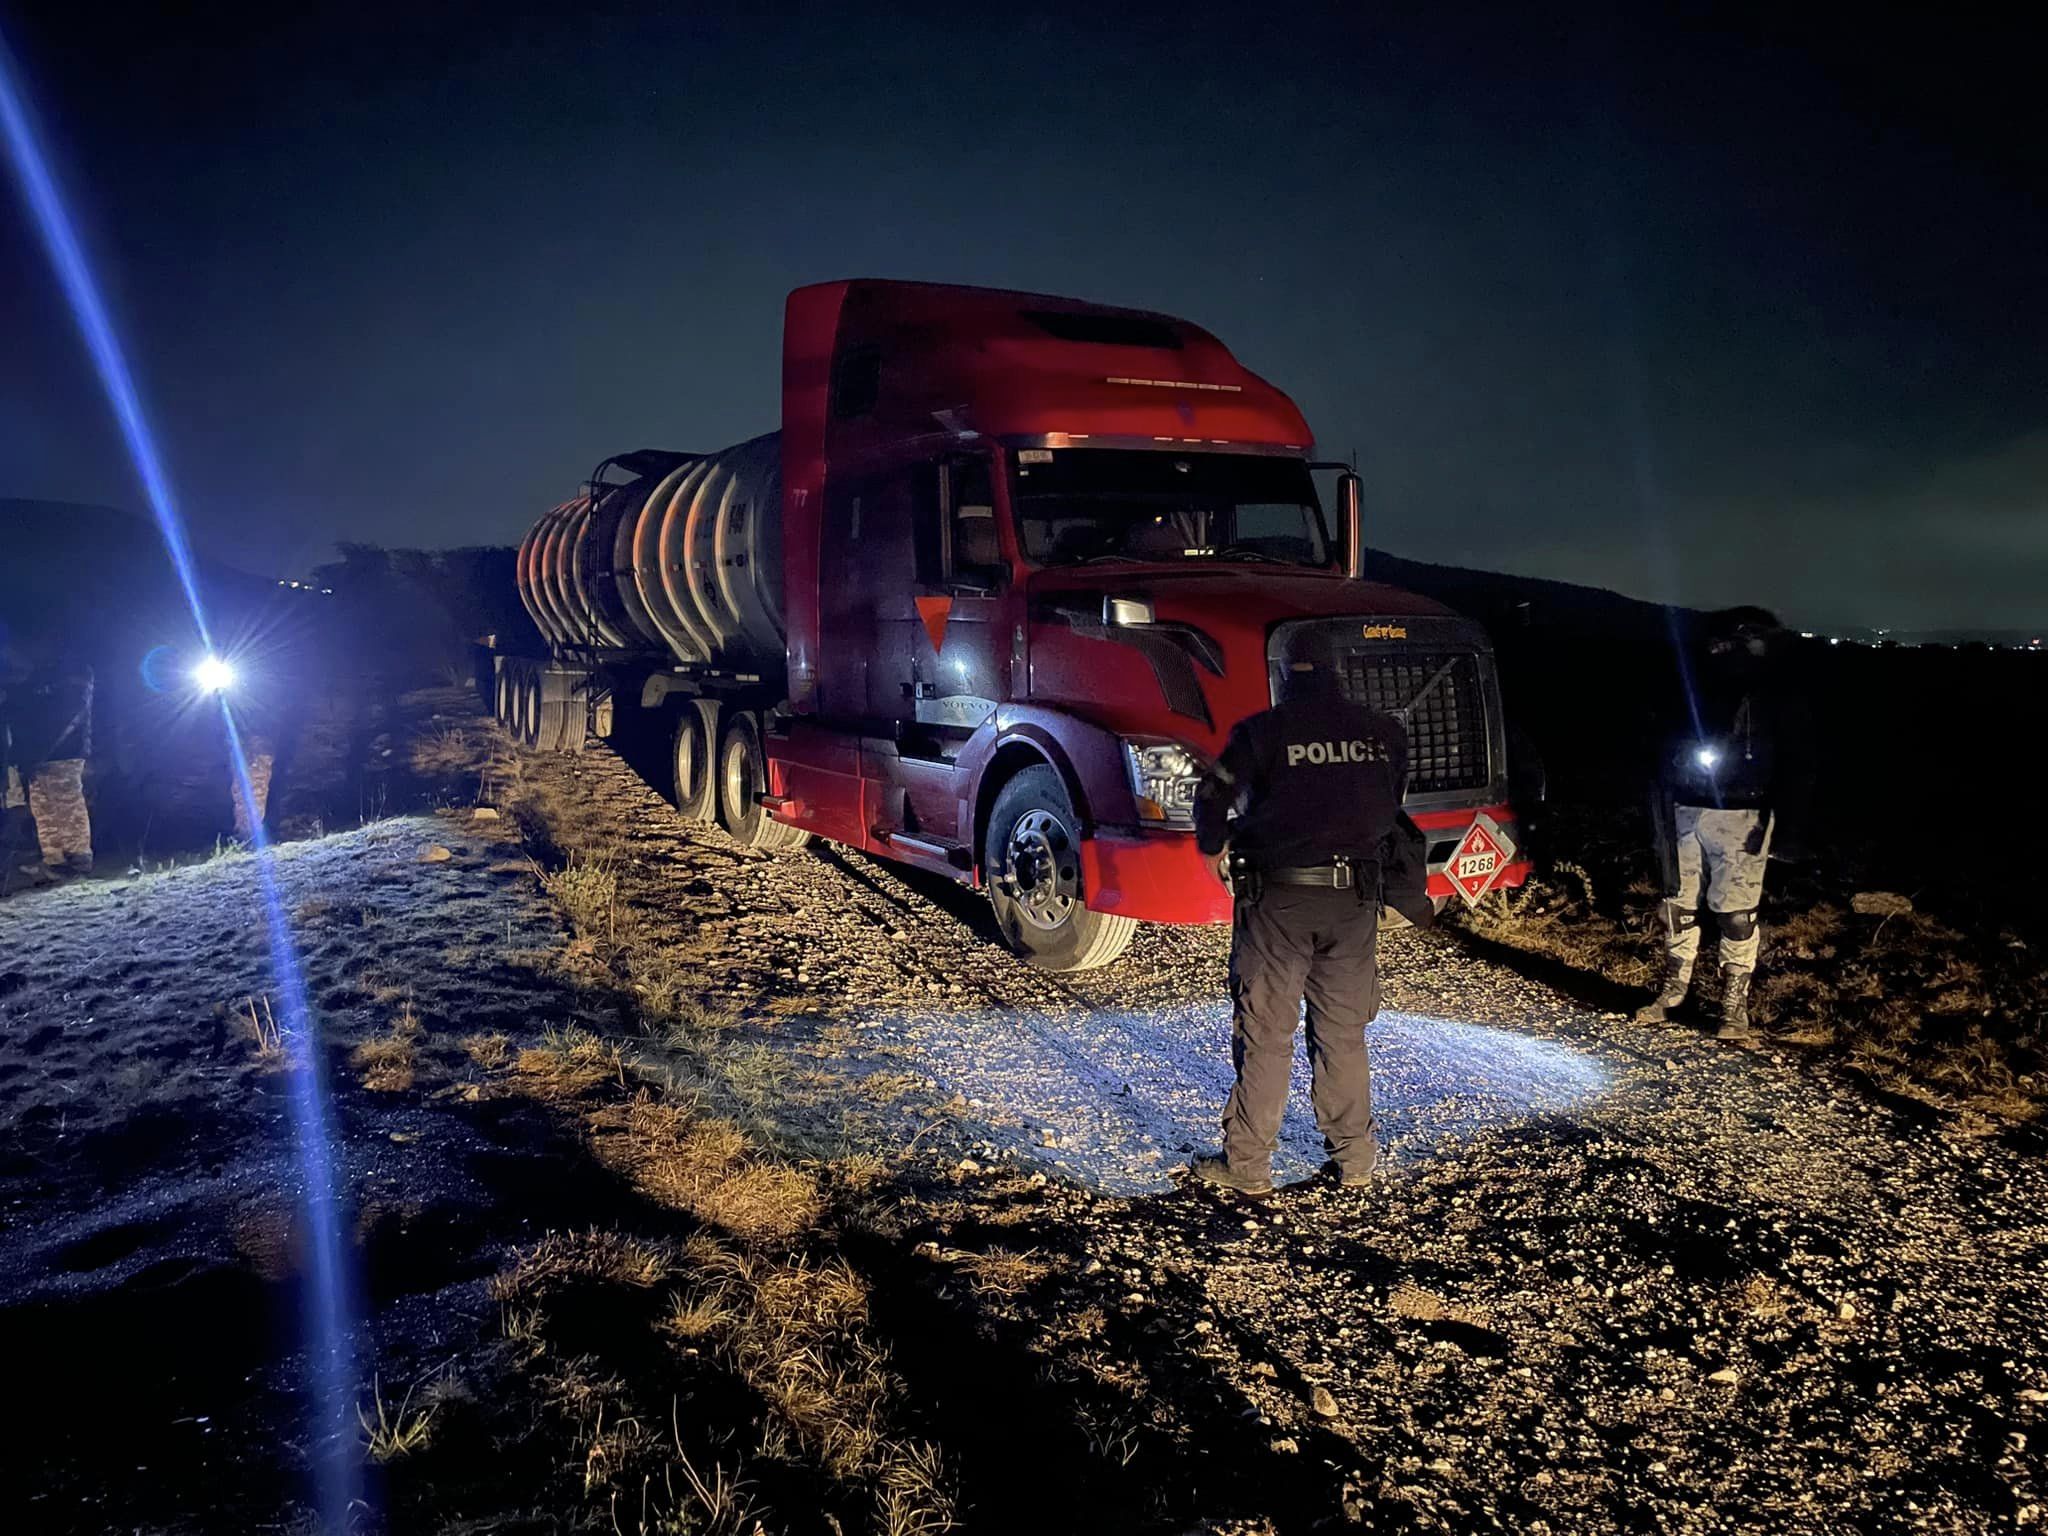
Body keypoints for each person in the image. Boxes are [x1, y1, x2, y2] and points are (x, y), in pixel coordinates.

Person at [1186, 660, 1426, 1197]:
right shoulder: (1384, 733)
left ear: (1286, 681)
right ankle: (1355, 1160)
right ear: (1340, 678)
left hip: (1279, 900)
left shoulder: (1263, 731)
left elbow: (1212, 795)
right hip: (1354, 902)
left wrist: (1212, 849)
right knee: (1343, 1033)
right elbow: (1394, 802)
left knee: (1268, 1033)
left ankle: (1248, 1166)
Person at [1636, 607, 1814, 1040]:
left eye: (1742, 641)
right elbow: (1656, 742)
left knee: (1736, 913)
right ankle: (1675, 989)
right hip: (1684, 807)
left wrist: (1790, 828)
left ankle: (1734, 1005)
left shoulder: (1777, 695)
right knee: (1677, 904)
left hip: (1744, 813)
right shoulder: (1689, 688)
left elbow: (1800, 762)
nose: (1728, 650)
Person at [13, 653, 95, 879]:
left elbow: (66, 715)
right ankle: (54, 862)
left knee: (67, 804)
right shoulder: (43, 674)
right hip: (41, 755)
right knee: (44, 808)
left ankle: (78, 860)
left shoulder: (74, 671)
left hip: (64, 752)